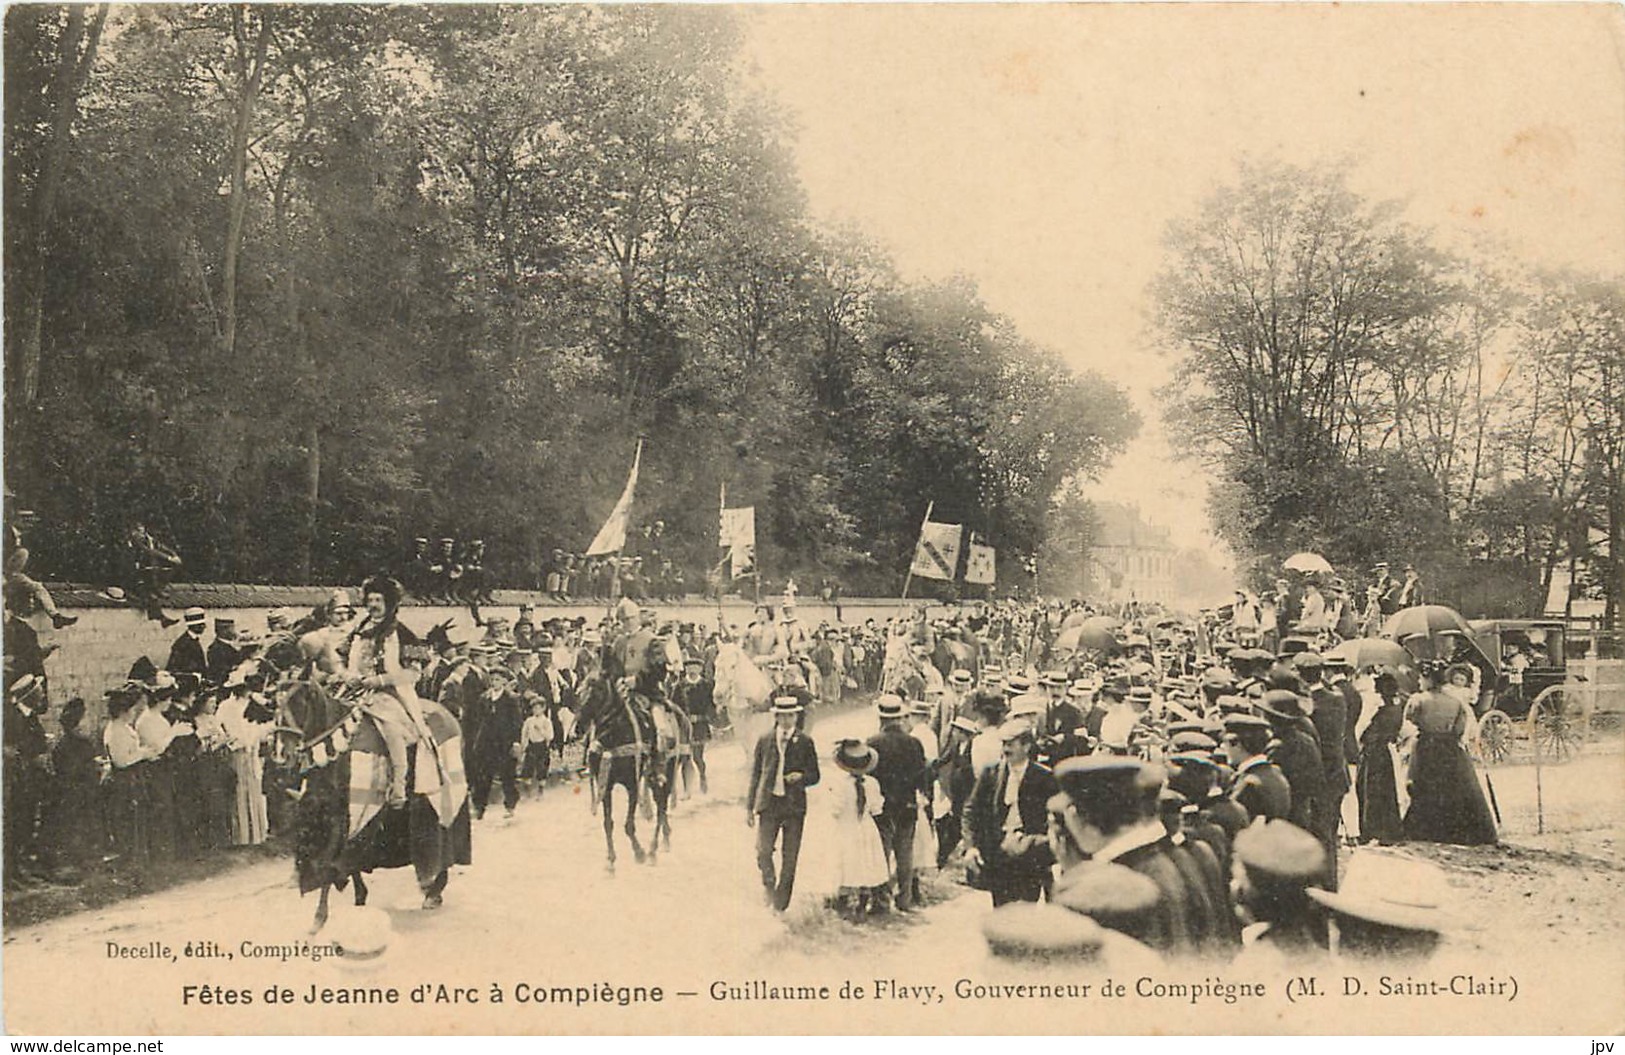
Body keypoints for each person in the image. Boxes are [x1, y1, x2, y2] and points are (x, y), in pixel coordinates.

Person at [345, 576, 436, 808]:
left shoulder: (401, 632)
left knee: (392, 730)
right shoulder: (358, 630)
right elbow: (345, 660)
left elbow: (414, 673)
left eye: (379, 599)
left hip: (390, 694)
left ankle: (398, 786)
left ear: (389, 603)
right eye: (370, 599)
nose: (373, 604)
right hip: (355, 692)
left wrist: (380, 680)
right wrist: (348, 676)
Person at [1402, 660, 1497, 845]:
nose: (1420, 682)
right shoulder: (1455, 702)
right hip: (1449, 748)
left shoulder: (1417, 699)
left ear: (1428, 680)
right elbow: (1460, 730)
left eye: (1422, 678)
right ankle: (1452, 830)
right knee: (1451, 788)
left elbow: (1408, 723)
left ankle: (1427, 830)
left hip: (1426, 747)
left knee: (1424, 786)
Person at [965, 721, 1057, 906]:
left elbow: (1056, 816)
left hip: (1029, 852)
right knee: (1001, 909)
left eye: (1011, 744)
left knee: (1026, 909)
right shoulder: (991, 773)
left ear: (1026, 746)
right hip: (998, 852)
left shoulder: (1044, 777)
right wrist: (971, 846)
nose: (1006, 749)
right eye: (1004, 744)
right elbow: (971, 811)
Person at [747, 696, 820, 912]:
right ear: (776, 717)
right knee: (763, 850)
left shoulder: (805, 742)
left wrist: (801, 777)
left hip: (794, 807)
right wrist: (749, 806)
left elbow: (815, 775)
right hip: (769, 804)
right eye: (783, 716)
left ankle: (781, 903)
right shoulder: (765, 740)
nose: (788, 720)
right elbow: (756, 774)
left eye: (792, 715)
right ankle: (769, 884)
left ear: (797, 716)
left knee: (790, 856)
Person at [865, 695, 927, 911]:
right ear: (900, 718)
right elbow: (922, 775)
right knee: (905, 855)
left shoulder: (873, 742)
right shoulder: (914, 743)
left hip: (883, 807)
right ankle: (905, 899)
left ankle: (881, 900)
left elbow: (868, 776)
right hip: (908, 805)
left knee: (881, 854)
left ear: (881, 719)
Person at [825, 739, 890, 918]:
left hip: (847, 828)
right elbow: (877, 809)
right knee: (866, 863)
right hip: (866, 828)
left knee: (847, 864)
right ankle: (862, 903)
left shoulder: (839, 784)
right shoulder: (872, 783)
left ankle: (844, 904)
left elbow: (835, 809)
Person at [5, 675, 52, 884]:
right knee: (16, 825)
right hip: (18, 781)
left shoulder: (30, 716)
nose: (42, 695)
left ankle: (23, 868)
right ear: (30, 696)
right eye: (39, 692)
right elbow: (12, 750)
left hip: (31, 781)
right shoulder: (12, 719)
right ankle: (13, 871)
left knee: (26, 823)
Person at [1355, 672, 1405, 845]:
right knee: (1386, 791)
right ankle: (1388, 831)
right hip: (1385, 752)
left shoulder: (1376, 707)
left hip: (1372, 752)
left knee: (1368, 790)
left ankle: (1369, 830)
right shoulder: (1396, 707)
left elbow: (1361, 729)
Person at [673, 656, 715, 794]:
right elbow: (673, 705)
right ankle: (687, 789)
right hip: (684, 727)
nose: (692, 670)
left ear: (700, 669)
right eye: (689, 667)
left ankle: (703, 777)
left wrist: (705, 717)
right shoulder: (679, 686)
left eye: (696, 667)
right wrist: (681, 718)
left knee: (698, 757)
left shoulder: (706, 685)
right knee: (684, 758)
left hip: (700, 726)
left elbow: (711, 705)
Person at [518, 699, 553, 800]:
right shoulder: (529, 721)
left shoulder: (546, 721)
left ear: (543, 709)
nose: (536, 710)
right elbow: (524, 733)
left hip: (542, 746)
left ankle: (540, 792)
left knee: (541, 769)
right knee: (527, 768)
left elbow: (550, 736)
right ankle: (527, 792)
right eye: (534, 708)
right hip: (531, 746)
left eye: (538, 708)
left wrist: (541, 730)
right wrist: (523, 744)